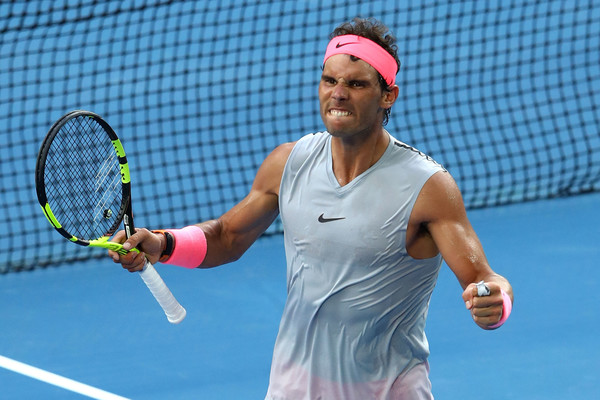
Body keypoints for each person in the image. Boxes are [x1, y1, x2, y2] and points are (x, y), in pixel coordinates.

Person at [109, 17, 513, 400]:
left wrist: (495, 303)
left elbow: (483, 280)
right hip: (293, 388)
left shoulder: (428, 187)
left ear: (388, 95)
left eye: (356, 84)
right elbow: (228, 237)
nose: (338, 93)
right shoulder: (289, 162)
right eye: (329, 80)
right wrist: (163, 244)